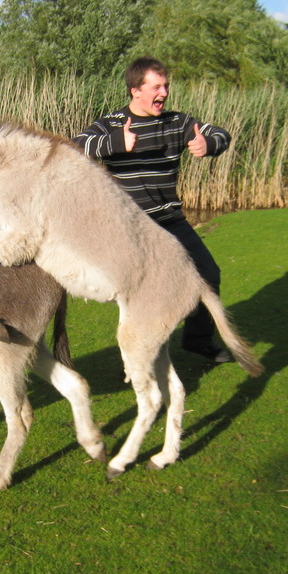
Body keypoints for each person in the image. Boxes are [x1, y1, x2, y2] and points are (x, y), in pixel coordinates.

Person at [73, 56, 233, 363]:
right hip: (129, 227)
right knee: (148, 291)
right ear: (136, 90)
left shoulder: (178, 123)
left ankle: (198, 340)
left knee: (209, 275)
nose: (164, 92)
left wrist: (209, 145)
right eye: (156, 86)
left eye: (166, 85)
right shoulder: (113, 124)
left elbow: (221, 134)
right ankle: (145, 355)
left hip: (170, 221)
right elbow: (75, 147)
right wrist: (115, 142)